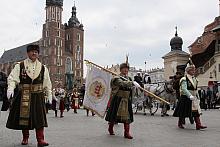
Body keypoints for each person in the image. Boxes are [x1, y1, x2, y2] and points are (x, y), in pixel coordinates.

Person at [6, 44, 52, 146]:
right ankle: (25, 138)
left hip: (38, 95)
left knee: (39, 118)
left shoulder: (43, 68)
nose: (34, 53)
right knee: (24, 117)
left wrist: (49, 94)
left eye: (36, 51)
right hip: (24, 94)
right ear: (28, 53)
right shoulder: (20, 65)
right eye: (32, 51)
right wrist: (10, 88)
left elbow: (47, 83)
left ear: (38, 54)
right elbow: (12, 78)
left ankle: (40, 140)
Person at [105, 63, 139, 139]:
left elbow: (130, 89)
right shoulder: (116, 78)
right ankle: (110, 128)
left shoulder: (129, 78)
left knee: (127, 117)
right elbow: (122, 84)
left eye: (127, 68)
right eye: (124, 68)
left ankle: (126, 133)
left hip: (126, 99)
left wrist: (135, 87)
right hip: (118, 99)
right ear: (121, 69)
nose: (126, 70)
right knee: (113, 115)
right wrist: (132, 83)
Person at [173, 61, 207, 130]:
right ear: (188, 71)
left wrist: (197, 96)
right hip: (185, 97)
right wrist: (189, 95)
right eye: (192, 70)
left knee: (196, 112)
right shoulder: (184, 79)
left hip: (193, 97)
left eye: (194, 70)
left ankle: (198, 125)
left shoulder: (195, 79)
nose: (194, 71)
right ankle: (180, 123)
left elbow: (195, 89)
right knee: (183, 111)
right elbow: (184, 89)